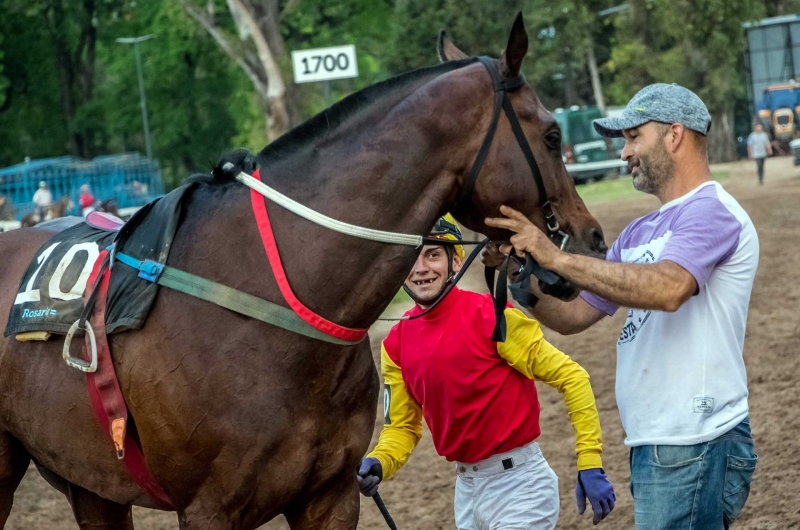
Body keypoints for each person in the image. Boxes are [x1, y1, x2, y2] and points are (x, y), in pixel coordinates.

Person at [485, 83, 759, 529]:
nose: (625, 152)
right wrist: (521, 273)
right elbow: (573, 317)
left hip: (696, 440)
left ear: (674, 136)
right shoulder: (638, 232)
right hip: (654, 441)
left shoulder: (713, 211)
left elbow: (669, 288)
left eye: (634, 137)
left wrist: (556, 256)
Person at [357, 215, 615, 529]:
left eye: (433, 254)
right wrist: (379, 461)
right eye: (412, 257)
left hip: (522, 488)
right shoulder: (394, 345)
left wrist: (590, 460)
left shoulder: (493, 315)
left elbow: (572, 377)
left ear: (455, 262)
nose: (421, 268)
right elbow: (402, 428)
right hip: (466, 491)